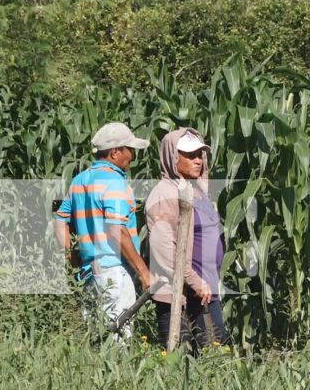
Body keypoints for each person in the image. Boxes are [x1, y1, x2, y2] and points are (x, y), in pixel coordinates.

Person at [54, 122, 152, 340]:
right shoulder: (115, 182)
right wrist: (144, 272)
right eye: (130, 150)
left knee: (97, 340)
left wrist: (69, 256)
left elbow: (60, 220)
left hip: (89, 274)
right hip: (114, 273)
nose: (133, 156)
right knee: (118, 342)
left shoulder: (79, 180)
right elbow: (116, 229)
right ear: (116, 152)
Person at [146, 128, 229, 348]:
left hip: (204, 291)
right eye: (190, 155)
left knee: (214, 360)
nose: (198, 160)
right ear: (173, 157)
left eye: (200, 154)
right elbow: (165, 252)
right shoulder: (165, 194)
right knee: (181, 362)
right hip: (182, 295)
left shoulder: (196, 190)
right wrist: (195, 282)